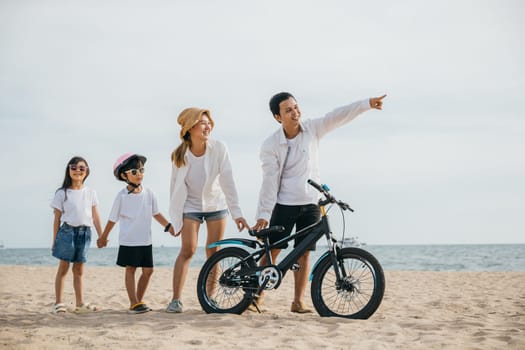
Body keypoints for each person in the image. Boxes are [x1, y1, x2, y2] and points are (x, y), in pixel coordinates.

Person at [252, 92, 386, 313]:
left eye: (296, 107)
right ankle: (257, 295)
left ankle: (298, 301)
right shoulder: (271, 145)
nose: (295, 112)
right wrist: (263, 214)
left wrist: (366, 104)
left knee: (304, 252)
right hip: (284, 204)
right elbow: (269, 181)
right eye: (288, 110)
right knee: (273, 250)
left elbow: (337, 116)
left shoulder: (312, 129)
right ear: (278, 117)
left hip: (311, 204)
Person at [166, 107, 249, 313]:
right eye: (202, 122)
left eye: (209, 122)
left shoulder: (219, 148)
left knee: (213, 252)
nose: (208, 126)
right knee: (188, 249)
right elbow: (174, 189)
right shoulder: (179, 155)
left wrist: (237, 213)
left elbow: (228, 181)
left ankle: (210, 299)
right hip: (190, 206)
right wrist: (176, 220)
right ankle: (175, 300)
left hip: (216, 205)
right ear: (190, 127)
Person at [97, 153, 176, 314]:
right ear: (124, 175)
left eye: (141, 170)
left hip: (145, 240)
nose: (139, 174)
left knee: (148, 271)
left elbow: (156, 213)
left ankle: (137, 300)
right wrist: (104, 236)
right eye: (134, 171)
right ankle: (134, 302)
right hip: (129, 240)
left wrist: (169, 226)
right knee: (131, 269)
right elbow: (113, 219)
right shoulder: (122, 196)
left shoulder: (149, 193)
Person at [50, 156, 103, 314]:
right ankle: (58, 302)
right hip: (67, 232)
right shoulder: (62, 193)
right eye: (74, 167)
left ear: (87, 171)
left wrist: (102, 235)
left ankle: (80, 304)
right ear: (68, 170)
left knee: (79, 270)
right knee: (64, 267)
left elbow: (95, 216)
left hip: (85, 233)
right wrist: (55, 240)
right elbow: (57, 219)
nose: (78, 170)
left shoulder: (91, 192)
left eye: (82, 168)